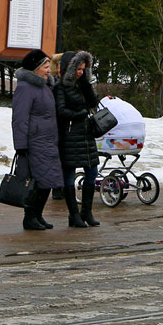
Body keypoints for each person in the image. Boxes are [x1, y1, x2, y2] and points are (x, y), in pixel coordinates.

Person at [11, 49, 63, 231]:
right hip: (34, 143)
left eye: (49, 66)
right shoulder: (25, 88)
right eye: (46, 67)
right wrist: (20, 145)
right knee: (36, 182)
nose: (49, 70)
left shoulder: (45, 86)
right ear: (35, 68)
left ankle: (37, 215)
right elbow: (19, 118)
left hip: (48, 141)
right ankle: (29, 217)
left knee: (47, 181)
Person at [52, 50, 101, 228]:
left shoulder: (83, 84)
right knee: (69, 176)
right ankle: (74, 214)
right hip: (70, 136)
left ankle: (86, 211)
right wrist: (79, 114)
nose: (81, 72)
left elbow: (93, 102)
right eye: (78, 69)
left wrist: (87, 85)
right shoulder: (60, 87)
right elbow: (60, 111)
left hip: (86, 135)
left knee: (92, 172)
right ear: (70, 69)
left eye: (83, 68)